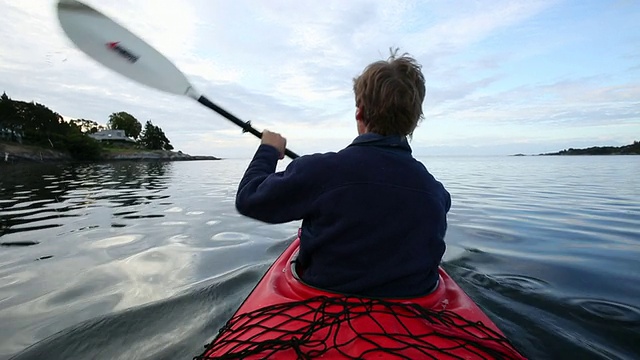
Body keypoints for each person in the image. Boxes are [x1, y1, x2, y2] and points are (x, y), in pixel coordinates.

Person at [235, 51, 451, 298]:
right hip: (416, 309)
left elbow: (249, 198)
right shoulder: (436, 192)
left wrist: (268, 150)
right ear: (414, 122)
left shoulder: (319, 171)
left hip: (322, 302)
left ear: (359, 112)